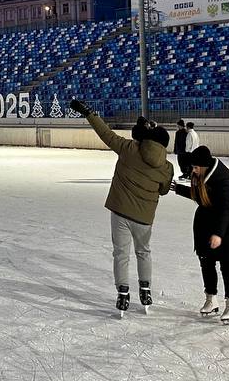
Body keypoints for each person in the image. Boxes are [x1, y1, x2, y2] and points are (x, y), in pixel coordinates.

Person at [71, 101, 173, 315]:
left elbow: (106, 134)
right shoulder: (166, 167)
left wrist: (90, 113)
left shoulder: (129, 149)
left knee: (121, 254)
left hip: (120, 213)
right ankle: (145, 289)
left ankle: (123, 293)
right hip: (144, 218)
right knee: (143, 252)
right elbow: (163, 190)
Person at [173, 145, 229, 324]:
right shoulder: (202, 177)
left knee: (228, 268)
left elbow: (226, 210)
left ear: (204, 166)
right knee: (207, 264)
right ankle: (211, 299)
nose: (193, 171)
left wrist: (218, 234)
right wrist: (177, 188)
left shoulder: (223, 182)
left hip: (227, 230)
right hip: (205, 228)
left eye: (196, 167)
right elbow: (199, 197)